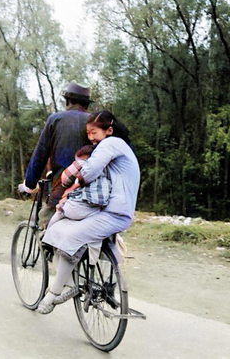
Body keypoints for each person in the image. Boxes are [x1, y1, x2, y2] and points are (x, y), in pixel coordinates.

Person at [36, 110, 139, 314]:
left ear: (109, 130)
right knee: (61, 226)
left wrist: (74, 185)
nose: (91, 138)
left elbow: (89, 171)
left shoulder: (111, 143)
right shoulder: (119, 147)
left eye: (94, 132)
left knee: (71, 235)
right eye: (88, 134)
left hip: (114, 213)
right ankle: (70, 281)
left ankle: (55, 292)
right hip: (109, 209)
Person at [18, 82, 94, 227]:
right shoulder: (95, 122)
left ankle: (47, 245)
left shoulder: (55, 120)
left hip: (61, 189)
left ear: (67, 101)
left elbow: (40, 155)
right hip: (91, 190)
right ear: (86, 104)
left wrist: (28, 185)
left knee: (46, 224)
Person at [46, 144, 111, 228]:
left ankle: (47, 235)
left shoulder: (83, 163)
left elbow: (65, 178)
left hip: (81, 205)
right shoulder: (105, 169)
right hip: (99, 209)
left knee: (60, 209)